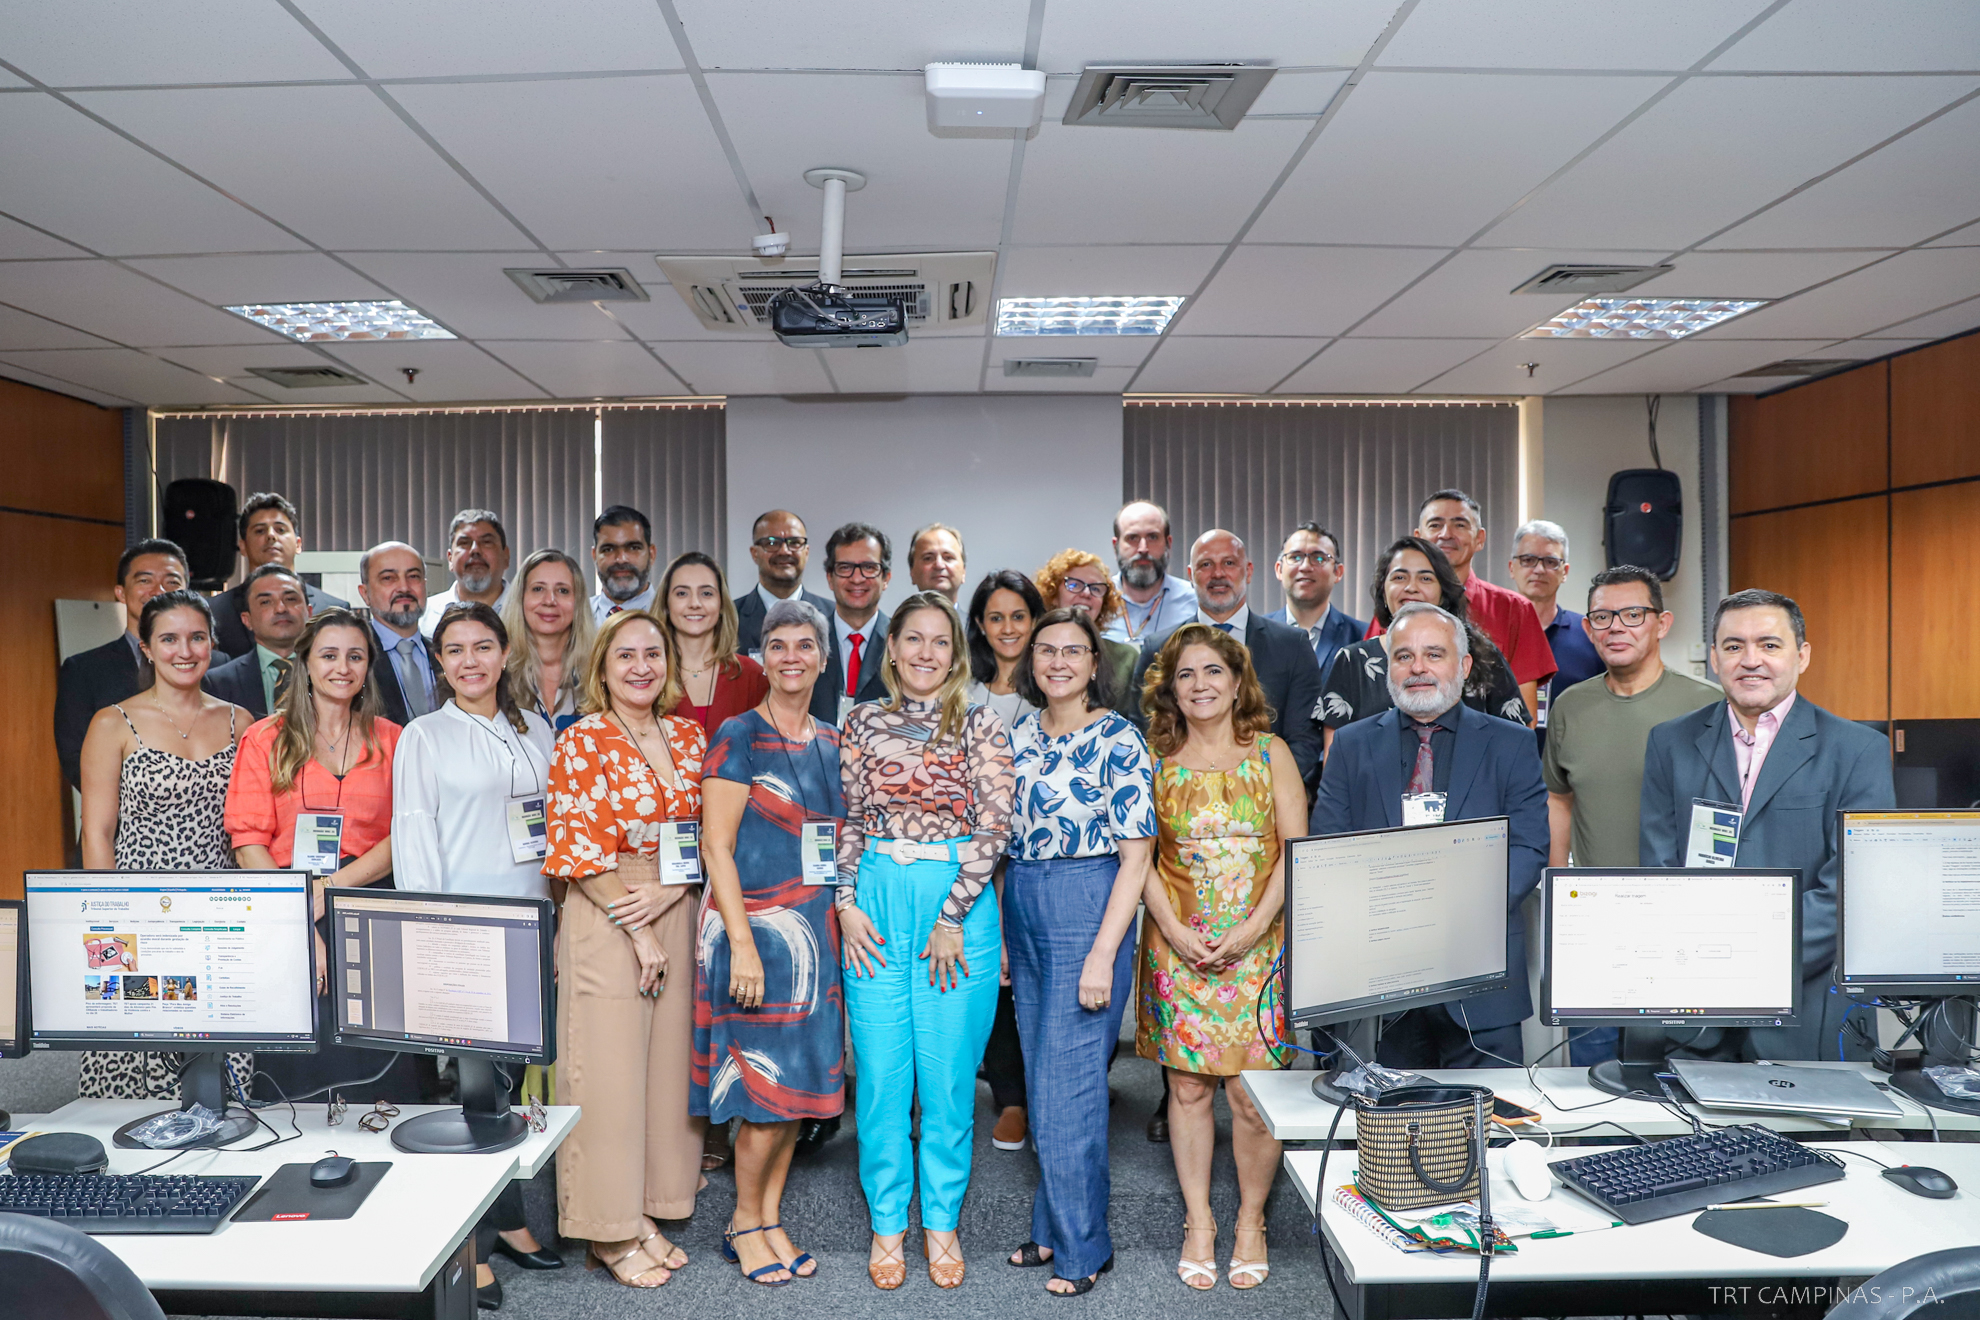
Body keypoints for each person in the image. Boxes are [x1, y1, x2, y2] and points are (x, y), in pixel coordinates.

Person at [836, 592, 1015, 1291]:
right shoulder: (861, 722)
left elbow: (996, 828)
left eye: (940, 642)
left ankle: (940, 1222)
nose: (925, 654)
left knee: (945, 1080)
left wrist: (950, 917)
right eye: (913, 639)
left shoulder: (980, 723)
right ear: (892, 648)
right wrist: (846, 903)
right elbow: (849, 818)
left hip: (956, 906)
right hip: (875, 901)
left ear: (956, 653)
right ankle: (888, 1224)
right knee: (881, 1077)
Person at [1640, 589, 1895, 1062]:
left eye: (1770, 645)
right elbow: (1660, 872)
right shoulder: (1669, 744)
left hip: (1806, 1014)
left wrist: (1747, 962)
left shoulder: (1857, 751)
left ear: (1802, 655)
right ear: (1714, 659)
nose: (1750, 660)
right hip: (1694, 1012)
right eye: (1733, 646)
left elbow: (1850, 893)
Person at [392, 603, 560, 1307]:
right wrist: (432, 939)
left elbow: (552, 833)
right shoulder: (425, 737)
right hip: (464, 931)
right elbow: (415, 840)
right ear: (439, 662)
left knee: (510, 1086)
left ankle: (510, 1218)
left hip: (532, 925)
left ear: (503, 651)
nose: (470, 661)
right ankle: (471, 1243)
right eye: (454, 650)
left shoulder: (535, 728)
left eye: (482, 646)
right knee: (471, 1091)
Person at [1135, 622, 1302, 1292]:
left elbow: (1296, 851)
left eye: (1213, 672)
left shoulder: (1272, 753)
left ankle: (1250, 1222)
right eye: (1186, 675)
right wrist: (1171, 927)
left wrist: (1255, 928)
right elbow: (1136, 855)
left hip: (1259, 946)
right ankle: (1200, 1221)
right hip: (1179, 943)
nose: (1200, 686)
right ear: (1170, 689)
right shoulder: (1153, 756)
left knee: (1253, 1095)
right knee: (1186, 1087)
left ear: (1238, 683)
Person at [542, 610, 707, 1288]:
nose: (641, 666)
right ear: (602, 668)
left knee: (665, 1072)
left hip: (673, 901)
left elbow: (702, 835)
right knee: (604, 1074)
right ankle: (606, 1230)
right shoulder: (583, 739)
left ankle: (649, 1207)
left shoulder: (690, 737)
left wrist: (670, 900)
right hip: (607, 907)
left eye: (653, 653)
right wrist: (637, 927)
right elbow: (576, 847)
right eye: (626, 656)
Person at [1310, 603, 1549, 1070]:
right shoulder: (1352, 745)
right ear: (1389, 670)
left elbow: (1527, 847)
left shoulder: (1511, 743)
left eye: (1433, 654)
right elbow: (1329, 851)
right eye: (1403, 656)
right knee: (1389, 1137)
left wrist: (1450, 916)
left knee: (1492, 1129)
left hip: (1483, 981)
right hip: (1378, 984)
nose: (1417, 667)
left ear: (1462, 666)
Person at [1001, 607, 1155, 1297]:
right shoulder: (1017, 735)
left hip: (1086, 900)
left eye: (1074, 651)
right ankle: (1053, 1226)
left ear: (1097, 665)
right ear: (1030, 664)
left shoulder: (1118, 739)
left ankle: (1082, 1249)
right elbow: (1004, 843)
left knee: (1072, 1089)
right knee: (1043, 1081)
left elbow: (1138, 857)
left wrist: (1103, 954)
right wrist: (1005, 935)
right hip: (1024, 900)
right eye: (1045, 651)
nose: (1058, 662)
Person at [694, 598, 846, 1288]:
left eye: (804, 645)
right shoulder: (737, 735)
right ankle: (742, 1224)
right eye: (777, 645)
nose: (791, 657)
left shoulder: (831, 741)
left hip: (815, 941)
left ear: (822, 656)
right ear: (762, 657)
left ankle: (770, 1216)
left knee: (797, 1096)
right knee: (763, 1092)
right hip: (752, 935)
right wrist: (744, 943)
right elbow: (715, 848)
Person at [225, 608, 410, 1103]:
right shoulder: (265, 738)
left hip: (372, 907)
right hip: (284, 906)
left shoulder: (394, 740)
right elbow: (248, 844)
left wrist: (327, 893)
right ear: (304, 662)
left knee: (381, 1074)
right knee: (299, 1075)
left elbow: (402, 837)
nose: (342, 667)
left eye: (355, 656)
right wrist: (301, 922)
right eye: (329, 655)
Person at [76, 590, 251, 1100]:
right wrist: (107, 929)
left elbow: (253, 829)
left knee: (220, 1056)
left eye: (197, 637)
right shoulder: (112, 722)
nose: (185, 650)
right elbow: (98, 833)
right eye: (169, 639)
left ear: (212, 643)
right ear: (147, 648)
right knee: (135, 1053)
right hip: (136, 913)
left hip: (220, 916)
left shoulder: (242, 722)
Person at [1542, 567, 1718, 1066]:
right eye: (1601, 616)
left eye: (1631, 614)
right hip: (1594, 922)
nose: (1615, 627)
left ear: (1661, 623)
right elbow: (1559, 800)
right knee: (1592, 1078)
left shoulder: (1706, 704)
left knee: (1680, 1079)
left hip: (1681, 925)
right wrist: (1556, 894)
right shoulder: (1571, 706)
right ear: (1588, 627)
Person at [1130, 530, 1323, 786]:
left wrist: (1257, 793)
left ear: (1249, 571)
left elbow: (1304, 740)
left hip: (1268, 804)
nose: (1218, 574)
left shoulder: (1292, 646)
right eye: (1206, 564)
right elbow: (1143, 734)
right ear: (1190, 575)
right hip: (1177, 800)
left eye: (1229, 563)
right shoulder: (1158, 648)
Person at [962, 570, 1045, 1154]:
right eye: (996, 617)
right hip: (975, 855)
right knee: (994, 978)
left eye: (1019, 615)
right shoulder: (961, 692)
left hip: (1040, 857)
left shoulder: (1056, 688)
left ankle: (1043, 1092)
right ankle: (1010, 1095)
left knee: (1036, 976)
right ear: (980, 626)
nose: (1008, 627)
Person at [1319, 536, 1529, 755]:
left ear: (1443, 591)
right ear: (1383, 590)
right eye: (1399, 577)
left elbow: (1515, 743)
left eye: (1426, 578)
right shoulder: (1352, 661)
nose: (1411, 587)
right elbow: (1335, 762)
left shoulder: (1481, 654)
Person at [1383, 490, 1554, 718]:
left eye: (1460, 525)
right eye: (1435, 525)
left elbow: (1521, 716)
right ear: (1419, 537)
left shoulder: (1515, 609)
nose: (1446, 534)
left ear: (1480, 538)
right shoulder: (1399, 609)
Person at [55, 539, 189, 789]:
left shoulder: (215, 666)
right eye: (144, 580)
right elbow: (76, 760)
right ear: (120, 593)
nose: (159, 590)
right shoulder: (83, 670)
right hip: (119, 821)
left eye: (172, 581)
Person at [208, 493, 347, 659]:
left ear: (298, 544)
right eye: (260, 531)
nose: (271, 536)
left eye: (280, 529)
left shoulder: (334, 609)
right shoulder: (213, 611)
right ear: (243, 546)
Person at [1507, 519, 1603, 744]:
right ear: (1512, 568)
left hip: (1572, 769)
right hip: (1501, 769)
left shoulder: (1590, 633)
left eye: (1550, 561)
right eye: (1528, 560)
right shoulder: (1491, 635)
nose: (1539, 569)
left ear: (1565, 571)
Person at [659, 551, 769, 736]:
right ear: (666, 604)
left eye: (706, 593)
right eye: (682, 593)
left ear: (721, 604)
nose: (694, 603)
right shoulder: (649, 675)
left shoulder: (753, 677)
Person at [1033, 549, 1139, 719]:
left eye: (1096, 588)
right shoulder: (1035, 650)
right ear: (1053, 594)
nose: (1086, 593)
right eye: (1074, 585)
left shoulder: (1126, 658)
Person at [502, 548, 595, 732]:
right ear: (521, 598)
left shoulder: (600, 672)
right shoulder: (497, 672)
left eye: (563, 590)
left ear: (578, 601)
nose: (550, 600)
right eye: (538, 589)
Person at [810, 523, 893, 725]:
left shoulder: (902, 643)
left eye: (869, 567)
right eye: (845, 568)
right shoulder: (808, 642)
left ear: (886, 578)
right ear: (830, 578)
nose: (857, 579)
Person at [202, 564, 308, 719]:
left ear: (310, 612)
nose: (280, 608)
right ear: (247, 620)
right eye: (266, 602)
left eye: (291, 599)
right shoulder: (218, 683)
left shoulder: (335, 672)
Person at [1266, 522, 1365, 682]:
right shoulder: (1255, 635)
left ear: (1338, 572)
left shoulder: (1362, 637)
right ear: (1279, 570)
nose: (1305, 567)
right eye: (1295, 557)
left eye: (1319, 558)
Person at [356, 541, 440, 728]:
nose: (404, 587)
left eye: (413, 576)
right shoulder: (353, 658)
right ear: (365, 593)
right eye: (388, 578)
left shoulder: (446, 655)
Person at [734, 509, 834, 655]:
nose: (784, 551)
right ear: (754, 553)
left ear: (806, 552)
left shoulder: (833, 617)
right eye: (772, 543)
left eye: (794, 543)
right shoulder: (728, 618)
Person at [1103, 500, 1196, 647]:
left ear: (1168, 544)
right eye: (1132, 538)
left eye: (1152, 537)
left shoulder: (1195, 603)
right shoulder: (1097, 600)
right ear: (1116, 547)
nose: (1143, 549)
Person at [421, 509, 511, 633]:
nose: (475, 550)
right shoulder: (423, 617)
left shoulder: (531, 612)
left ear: (506, 556)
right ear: (450, 559)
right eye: (464, 543)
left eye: (486, 542)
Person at [590, 504, 657, 620]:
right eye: (608, 549)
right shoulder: (572, 619)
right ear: (594, 556)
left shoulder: (677, 618)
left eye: (633, 548)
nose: (621, 559)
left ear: (651, 554)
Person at [907, 523, 968, 602]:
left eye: (948, 558)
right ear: (912, 572)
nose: (939, 565)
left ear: (963, 571)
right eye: (928, 558)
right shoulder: (900, 615)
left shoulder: (980, 615)